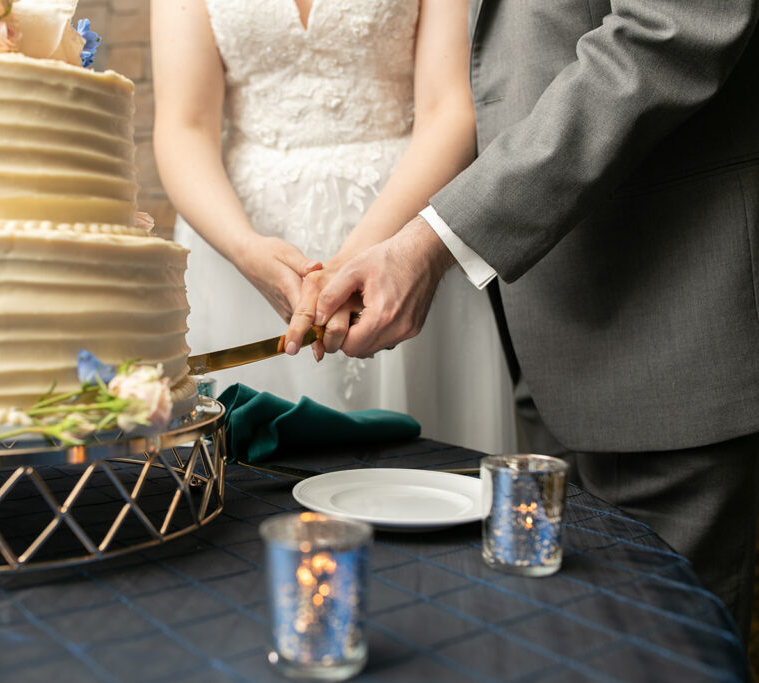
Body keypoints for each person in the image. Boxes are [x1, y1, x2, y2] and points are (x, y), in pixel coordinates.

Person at [285, 0, 759, 638]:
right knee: (557, 644)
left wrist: (434, 243)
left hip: (668, 324)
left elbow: (670, 31)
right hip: (538, 337)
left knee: (659, 650)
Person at [150, 0, 516, 454]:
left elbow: (449, 110)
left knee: (424, 472)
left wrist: (354, 260)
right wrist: (244, 247)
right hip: (235, 242)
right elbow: (184, 124)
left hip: (403, 225)